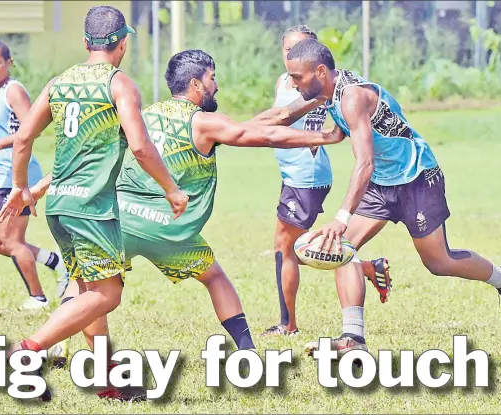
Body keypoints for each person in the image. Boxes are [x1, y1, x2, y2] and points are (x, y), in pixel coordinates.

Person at [29, 48, 348, 368]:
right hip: (170, 230)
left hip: (122, 221)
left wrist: (38, 188)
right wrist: (324, 137)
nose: (217, 85)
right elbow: (261, 134)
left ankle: (64, 348)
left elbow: (93, 159)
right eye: (212, 78)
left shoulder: (143, 114)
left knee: (86, 283)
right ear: (196, 85)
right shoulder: (205, 123)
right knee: (215, 278)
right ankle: (248, 351)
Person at [0, 6, 188, 401]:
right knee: (108, 294)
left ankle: (107, 379)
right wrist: (171, 188)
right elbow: (139, 145)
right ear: (123, 42)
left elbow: (22, 139)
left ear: (86, 42)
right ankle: (26, 354)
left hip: (59, 209)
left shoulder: (59, 83)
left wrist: (21, 187)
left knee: (89, 290)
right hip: (91, 209)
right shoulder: (120, 85)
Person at [281, 38, 501, 356]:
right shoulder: (326, 93)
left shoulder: (352, 96)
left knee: (438, 262)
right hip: (380, 184)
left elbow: (364, 163)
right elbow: (282, 116)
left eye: (297, 77)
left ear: (320, 71)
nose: (293, 84)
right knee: (342, 247)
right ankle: (353, 339)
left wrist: (341, 217)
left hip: (417, 177)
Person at [260, 25, 391, 338]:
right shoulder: (287, 80)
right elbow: (277, 114)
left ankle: (288, 325)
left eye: (300, 48)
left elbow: (284, 118)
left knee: (288, 248)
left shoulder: (316, 89)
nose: (292, 55)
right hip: (290, 175)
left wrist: (236, 131)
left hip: (307, 175)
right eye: (287, 49)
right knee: (296, 249)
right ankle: (367, 268)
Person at [0, 40, 68, 309]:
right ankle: (55, 261)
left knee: (11, 240)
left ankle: (38, 297)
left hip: (17, 177)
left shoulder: (14, 91)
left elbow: (32, 130)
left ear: (9, 63)